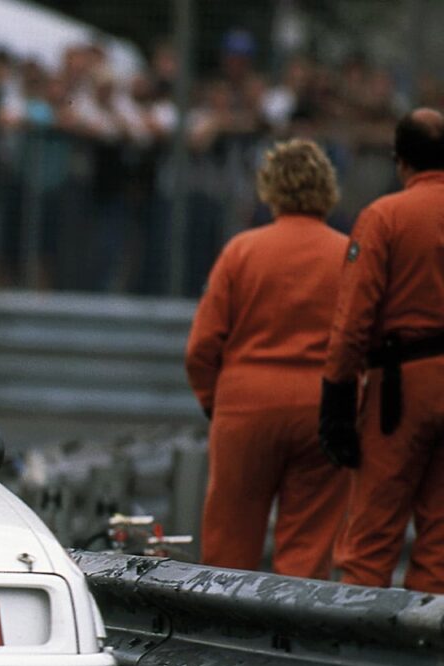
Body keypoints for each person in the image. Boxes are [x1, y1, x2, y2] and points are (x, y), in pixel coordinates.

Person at [185, 138, 348, 578]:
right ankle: (294, 641)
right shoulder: (349, 253)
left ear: (269, 187)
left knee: (228, 547)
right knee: (308, 550)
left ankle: (220, 642)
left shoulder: (242, 251)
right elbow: (362, 341)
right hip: (321, 408)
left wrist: (213, 401)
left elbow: (202, 345)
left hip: (246, 406)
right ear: (328, 189)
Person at [320, 108, 444, 592]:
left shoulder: (386, 217)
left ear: (400, 161)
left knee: (371, 537)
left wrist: (336, 399)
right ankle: (429, 658)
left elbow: (353, 320)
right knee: (439, 542)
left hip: (401, 389)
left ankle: (361, 661)